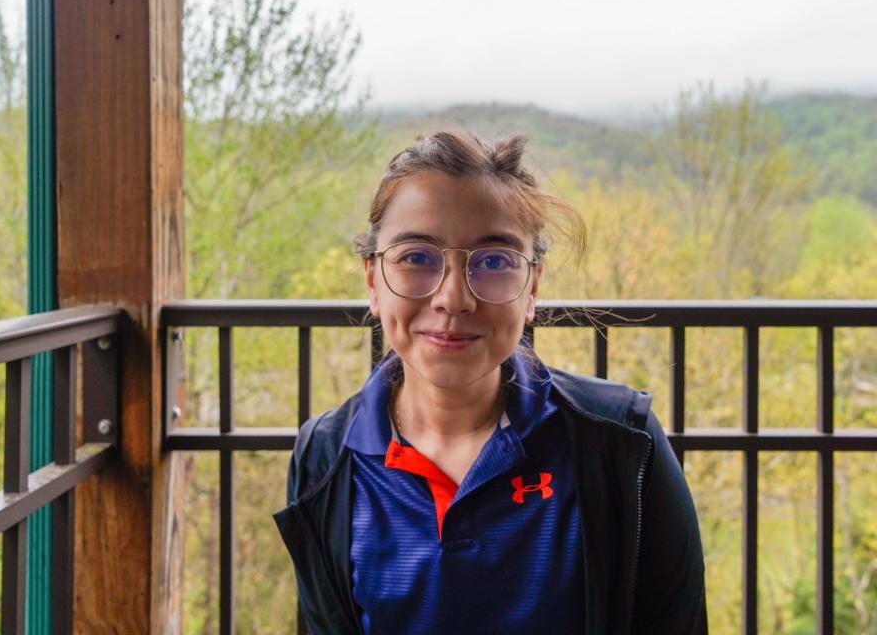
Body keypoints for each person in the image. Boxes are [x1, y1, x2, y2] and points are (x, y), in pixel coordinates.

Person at [274, 131, 707, 634]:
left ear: (532, 289)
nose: (454, 298)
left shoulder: (618, 441)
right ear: (373, 281)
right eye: (417, 257)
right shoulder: (326, 457)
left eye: (495, 262)